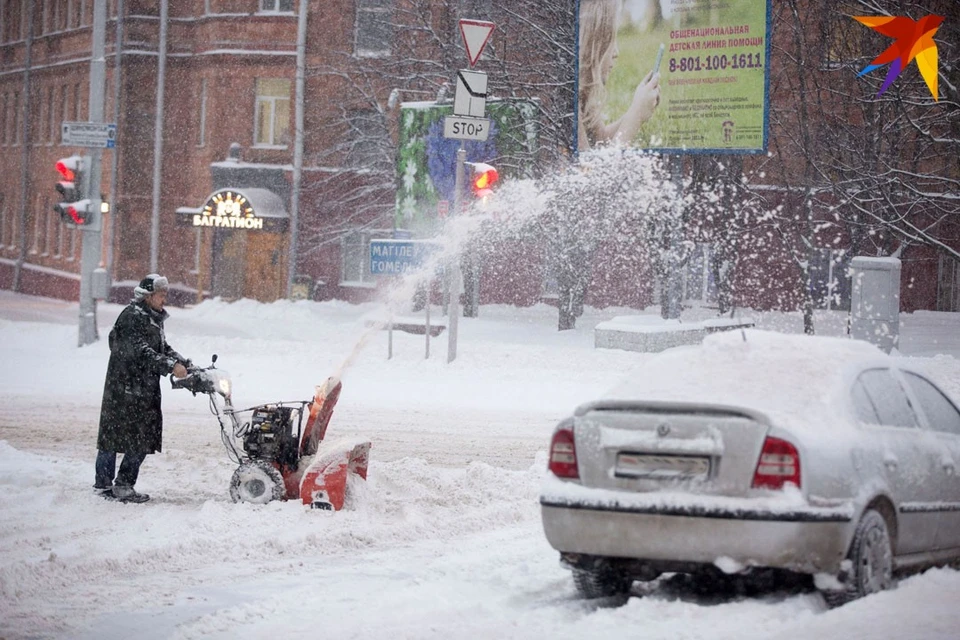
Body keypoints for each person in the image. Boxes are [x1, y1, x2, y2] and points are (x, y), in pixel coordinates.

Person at [94, 274, 192, 503]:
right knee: (121, 437)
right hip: (125, 388)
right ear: (148, 295)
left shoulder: (151, 318)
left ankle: (112, 484)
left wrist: (183, 363)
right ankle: (113, 485)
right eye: (161, 294)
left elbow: (160, 348)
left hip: (141, 388)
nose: (164, 299)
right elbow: (141, 352)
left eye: (165, 294)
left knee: (136, 436)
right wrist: (170, 366)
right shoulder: (132, 317)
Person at [578, 0, 661, 150]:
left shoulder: (581, 93)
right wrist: (636, 116)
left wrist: (638, 109)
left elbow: (601, 141)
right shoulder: (566, 102)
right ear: (592, 43)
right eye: (610, 41)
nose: (616, 53)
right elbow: (596, 172)